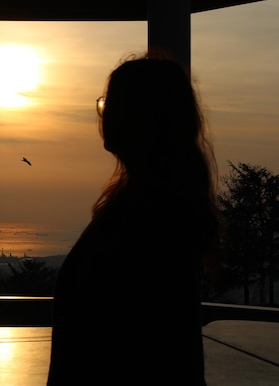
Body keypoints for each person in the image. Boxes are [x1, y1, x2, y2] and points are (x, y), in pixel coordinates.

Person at [46, 52, 220, 385]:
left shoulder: (150, 218)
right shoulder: (151, 206)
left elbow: (157, 347)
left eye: (112, 103)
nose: (104, 113)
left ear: (142, 116)